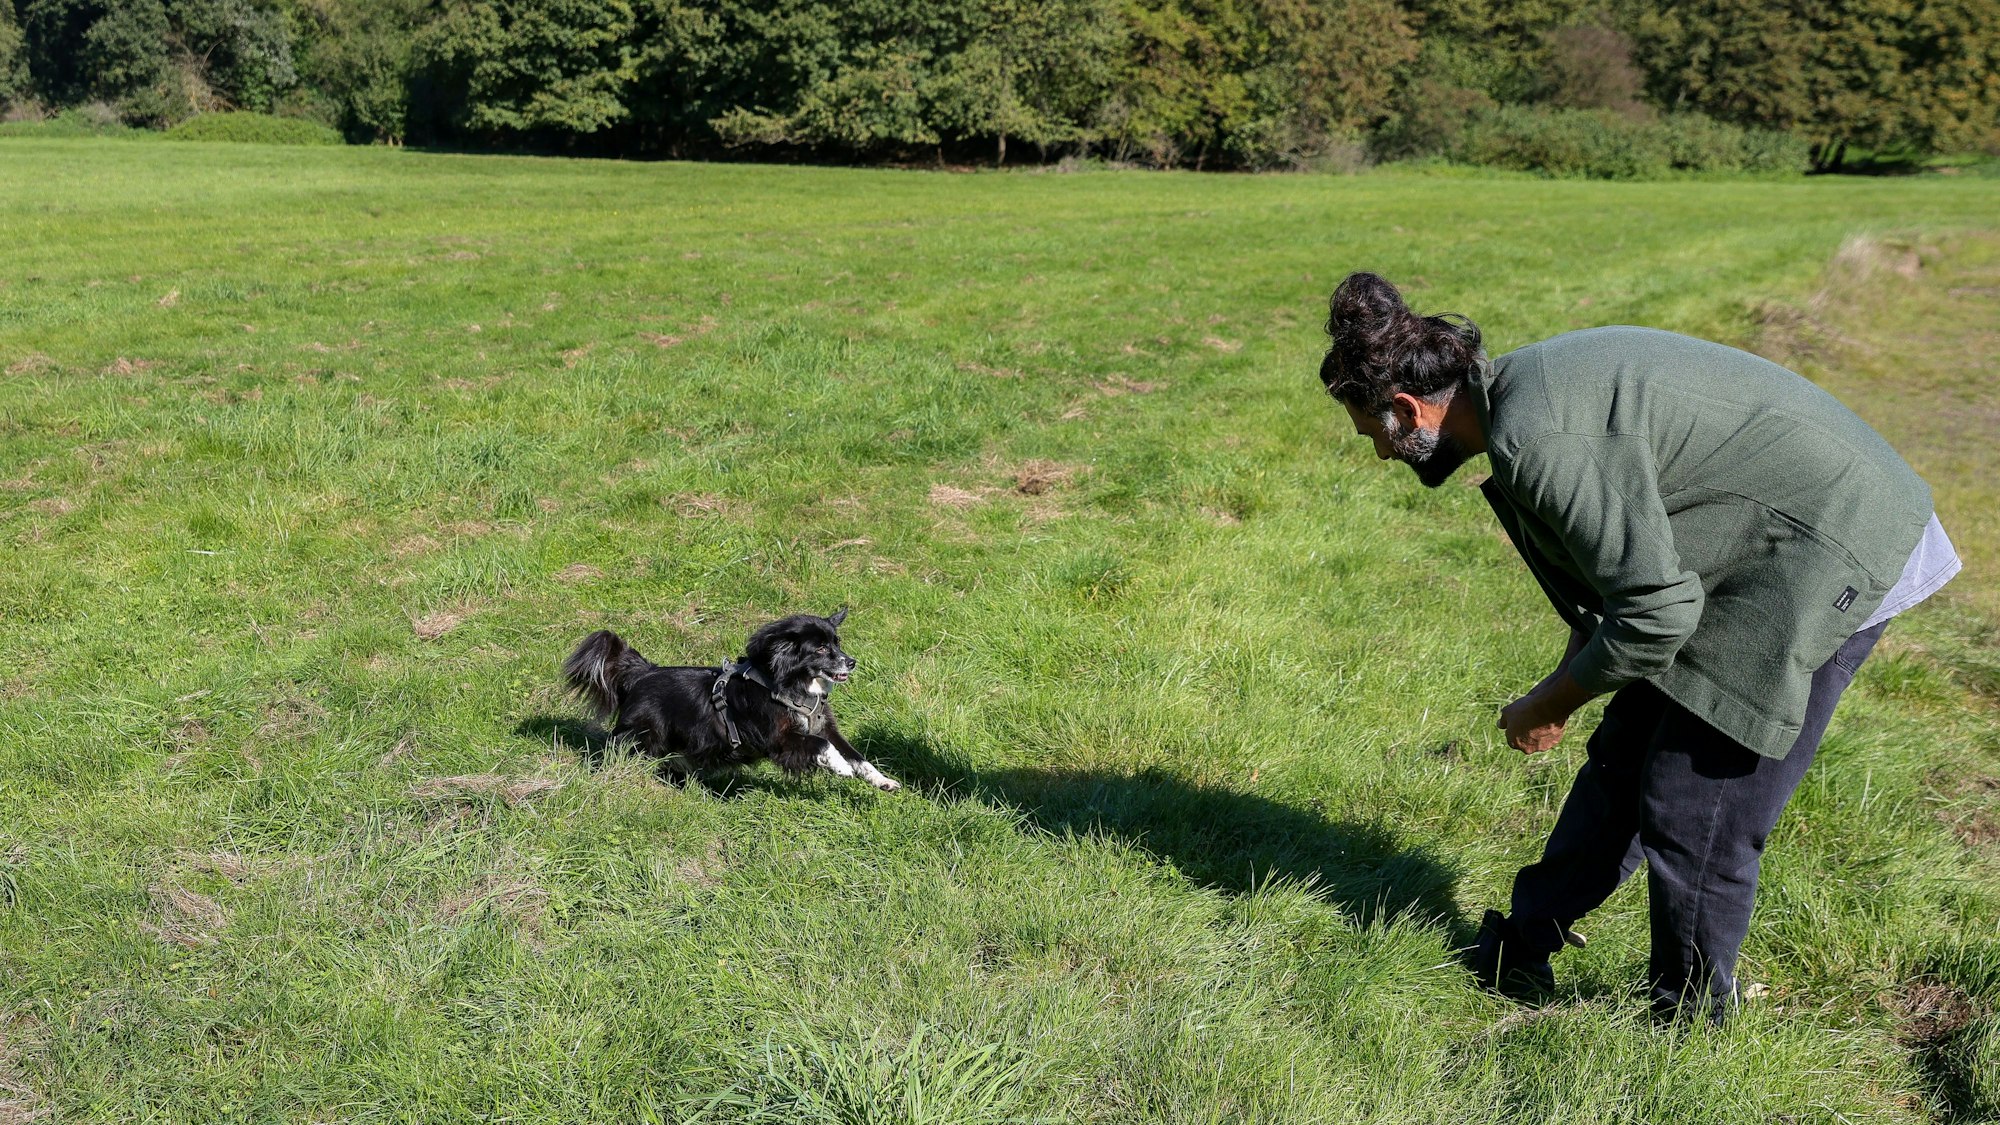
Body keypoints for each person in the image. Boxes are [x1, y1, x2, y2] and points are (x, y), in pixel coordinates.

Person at [1317, 272, 1960, 1024]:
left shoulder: (1538, 437)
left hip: (1833, 543)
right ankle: (1516, 949)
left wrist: (1552, 702)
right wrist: (1570, 673)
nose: (1380, 456)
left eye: (1374, 437)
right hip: (1758, 548)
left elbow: (1655, 614)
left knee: (1696, 800)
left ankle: (1686, 1030)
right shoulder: (1522, 396)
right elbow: (1621, 585)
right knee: (1625, 759)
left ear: (1406, 410)